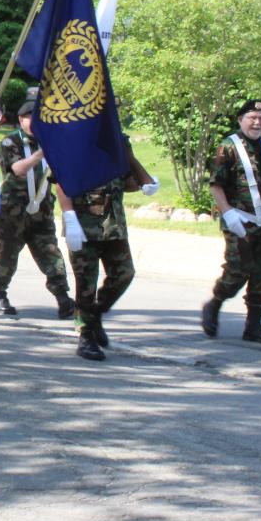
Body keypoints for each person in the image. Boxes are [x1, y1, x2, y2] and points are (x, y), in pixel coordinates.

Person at [57, 137, 158, 361]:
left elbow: (127, 181)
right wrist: (69, 216)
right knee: (86, 283)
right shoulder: (77, 134)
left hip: (113, 225)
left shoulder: (119, 140)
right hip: (83, 223)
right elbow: (62, 182)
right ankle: (85, 336)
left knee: (124, 273)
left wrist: (143, 181)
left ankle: (94, 315)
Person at [202, 99, 261, 344]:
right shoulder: (228, 146)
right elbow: (215, 184)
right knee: (237, 271)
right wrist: (227, 213)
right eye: (252, 118)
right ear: (241, 120)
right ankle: (214, 304)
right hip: (238, 219)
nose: (257, 123)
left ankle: (254, 326)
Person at [0, 95, 73, 318]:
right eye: (27, 118)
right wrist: (40, 154)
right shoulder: (11, 142)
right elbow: (17, 168)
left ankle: (63, 296)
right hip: (12, 212)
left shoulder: (51, 142)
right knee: (8, 254)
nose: (32, 122)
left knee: (51, 253)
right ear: (20, 120)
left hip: (41, 211)